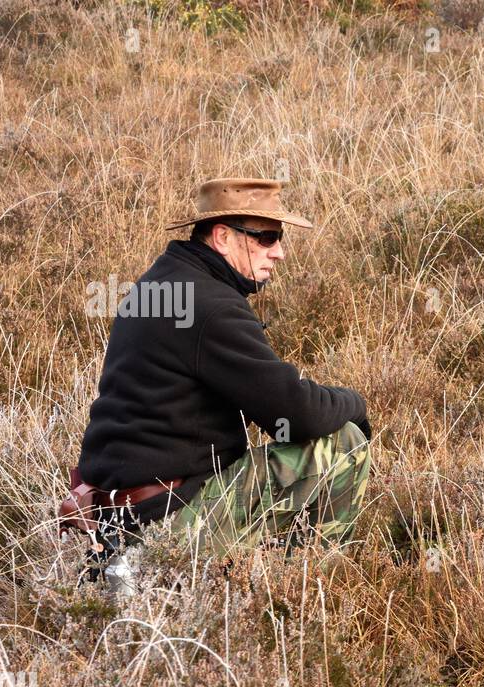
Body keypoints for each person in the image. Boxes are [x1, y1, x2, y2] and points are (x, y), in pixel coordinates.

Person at [61, 177, 372, 573]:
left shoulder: (159, 284)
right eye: (267, 237)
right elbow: (298, 416)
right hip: (167, 517)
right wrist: (356, 404)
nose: (279, 253)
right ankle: (304, 582)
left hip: (114, 512)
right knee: (343, 440)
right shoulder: (211, 307)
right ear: (223, 237)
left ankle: (138, 566)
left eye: (279, 237)